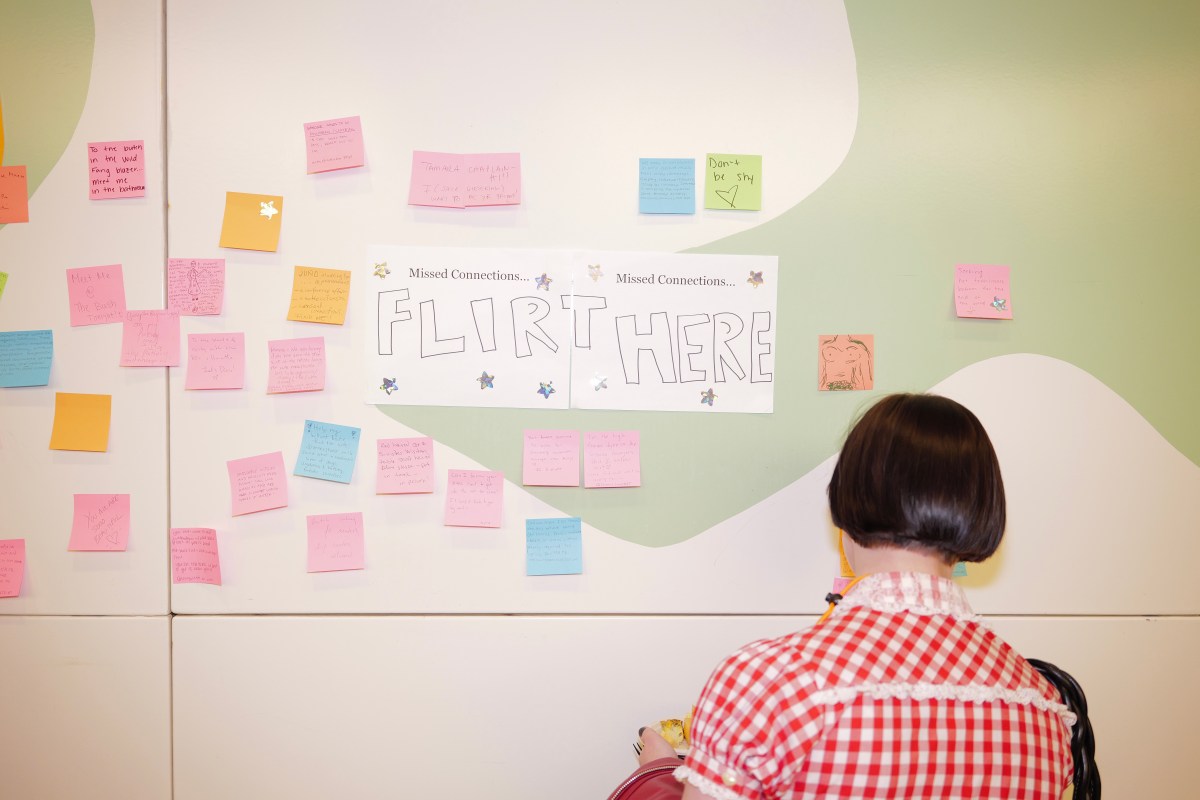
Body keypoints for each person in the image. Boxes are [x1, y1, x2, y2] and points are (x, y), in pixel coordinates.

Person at [615, 393, 1075, 799]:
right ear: (982, 510)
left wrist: (659, 774)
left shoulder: (768, 681)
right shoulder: (1042, 705)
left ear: (847, 506)